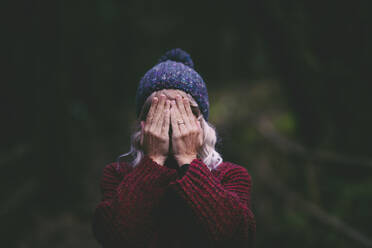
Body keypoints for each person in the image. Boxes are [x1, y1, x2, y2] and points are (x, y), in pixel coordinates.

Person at [91, 48, 256, 248]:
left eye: (184, 110)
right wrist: (152, 160)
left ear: (201, 124)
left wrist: (188, 158)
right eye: (157, 110)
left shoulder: (230, 176)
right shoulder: (118, 176)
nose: (170, 119)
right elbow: (115, 237)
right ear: (143, 123)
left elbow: (236, 238)